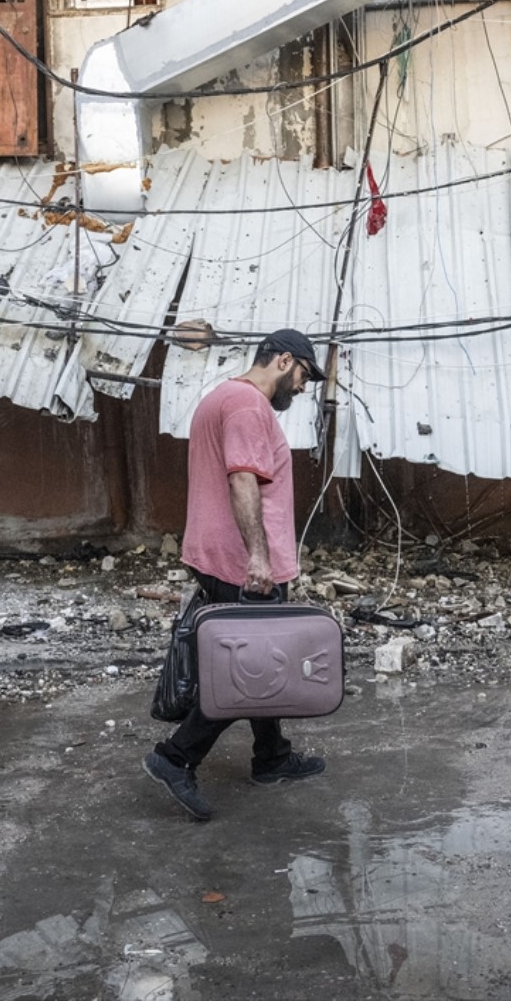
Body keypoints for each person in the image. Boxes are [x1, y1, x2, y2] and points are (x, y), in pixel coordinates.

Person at [143, 329, 330, 820]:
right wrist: (259, 559)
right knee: (255, 672)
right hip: (240, 561)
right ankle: (174, 757)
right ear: (284, 361)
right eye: (304, 375)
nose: (303, 388)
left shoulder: (221, 396)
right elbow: (242, 478)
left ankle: (271, 757)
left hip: (219, 553)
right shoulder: (249, 406)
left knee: (261, 659)